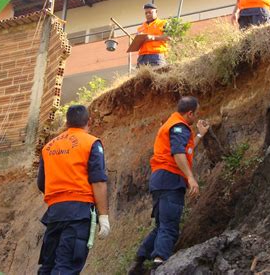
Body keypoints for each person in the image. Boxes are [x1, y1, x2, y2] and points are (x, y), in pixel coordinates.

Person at [128, 96, 209, 274]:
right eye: (196, 113)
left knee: (161, 225)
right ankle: (160, 262)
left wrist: (200, 134)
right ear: (189, 113)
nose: (196, 117)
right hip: (170, 179)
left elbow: (185, 149)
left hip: (160, 179)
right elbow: (178, 153)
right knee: (169, 226)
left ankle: (138, 263)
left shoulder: (173, 125)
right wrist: (190, 177)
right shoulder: (179, 127)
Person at [37, 105, 110, 274]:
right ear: (88, 121)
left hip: (54, 214)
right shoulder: (91, 143)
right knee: (66, 267)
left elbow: (42, 183)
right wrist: (103, 216)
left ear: (67, 122)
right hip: (78, 213)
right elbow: (98, 181)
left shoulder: (48, 147)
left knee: (48, 266)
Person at [136, 3, 171, 67]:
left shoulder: (163, 23)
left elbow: (168, 37)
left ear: (156, 12)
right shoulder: (140, 28)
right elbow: (136, 44)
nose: (148, 14)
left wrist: (153, 37)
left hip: (157, 55)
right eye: (146, 13)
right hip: (142, 57)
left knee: (158, 75)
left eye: (150, 12)